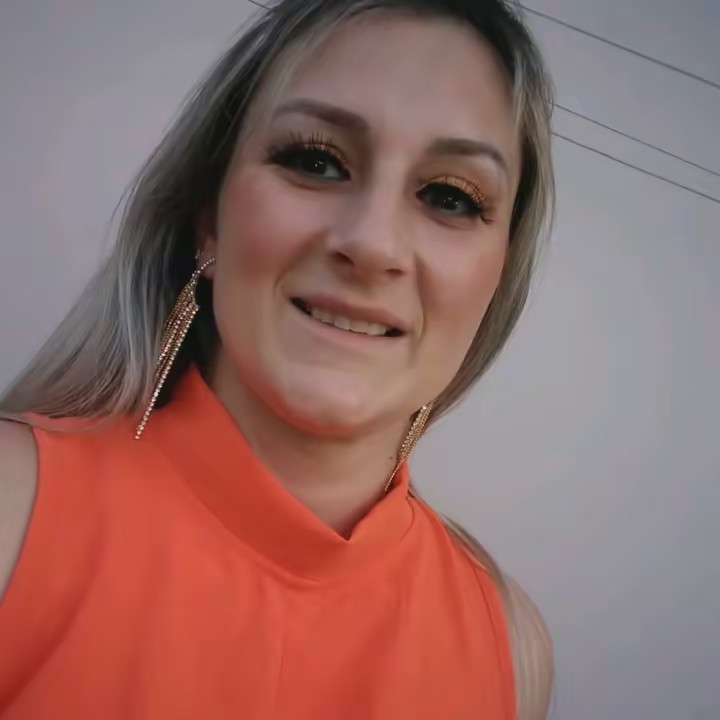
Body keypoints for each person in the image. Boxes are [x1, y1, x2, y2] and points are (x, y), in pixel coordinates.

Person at [0, 0, 555, 717]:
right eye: (315, 161)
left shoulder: (509, 649)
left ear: (498, 274)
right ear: (210, 217)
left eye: (450, 197)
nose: (373, 244)